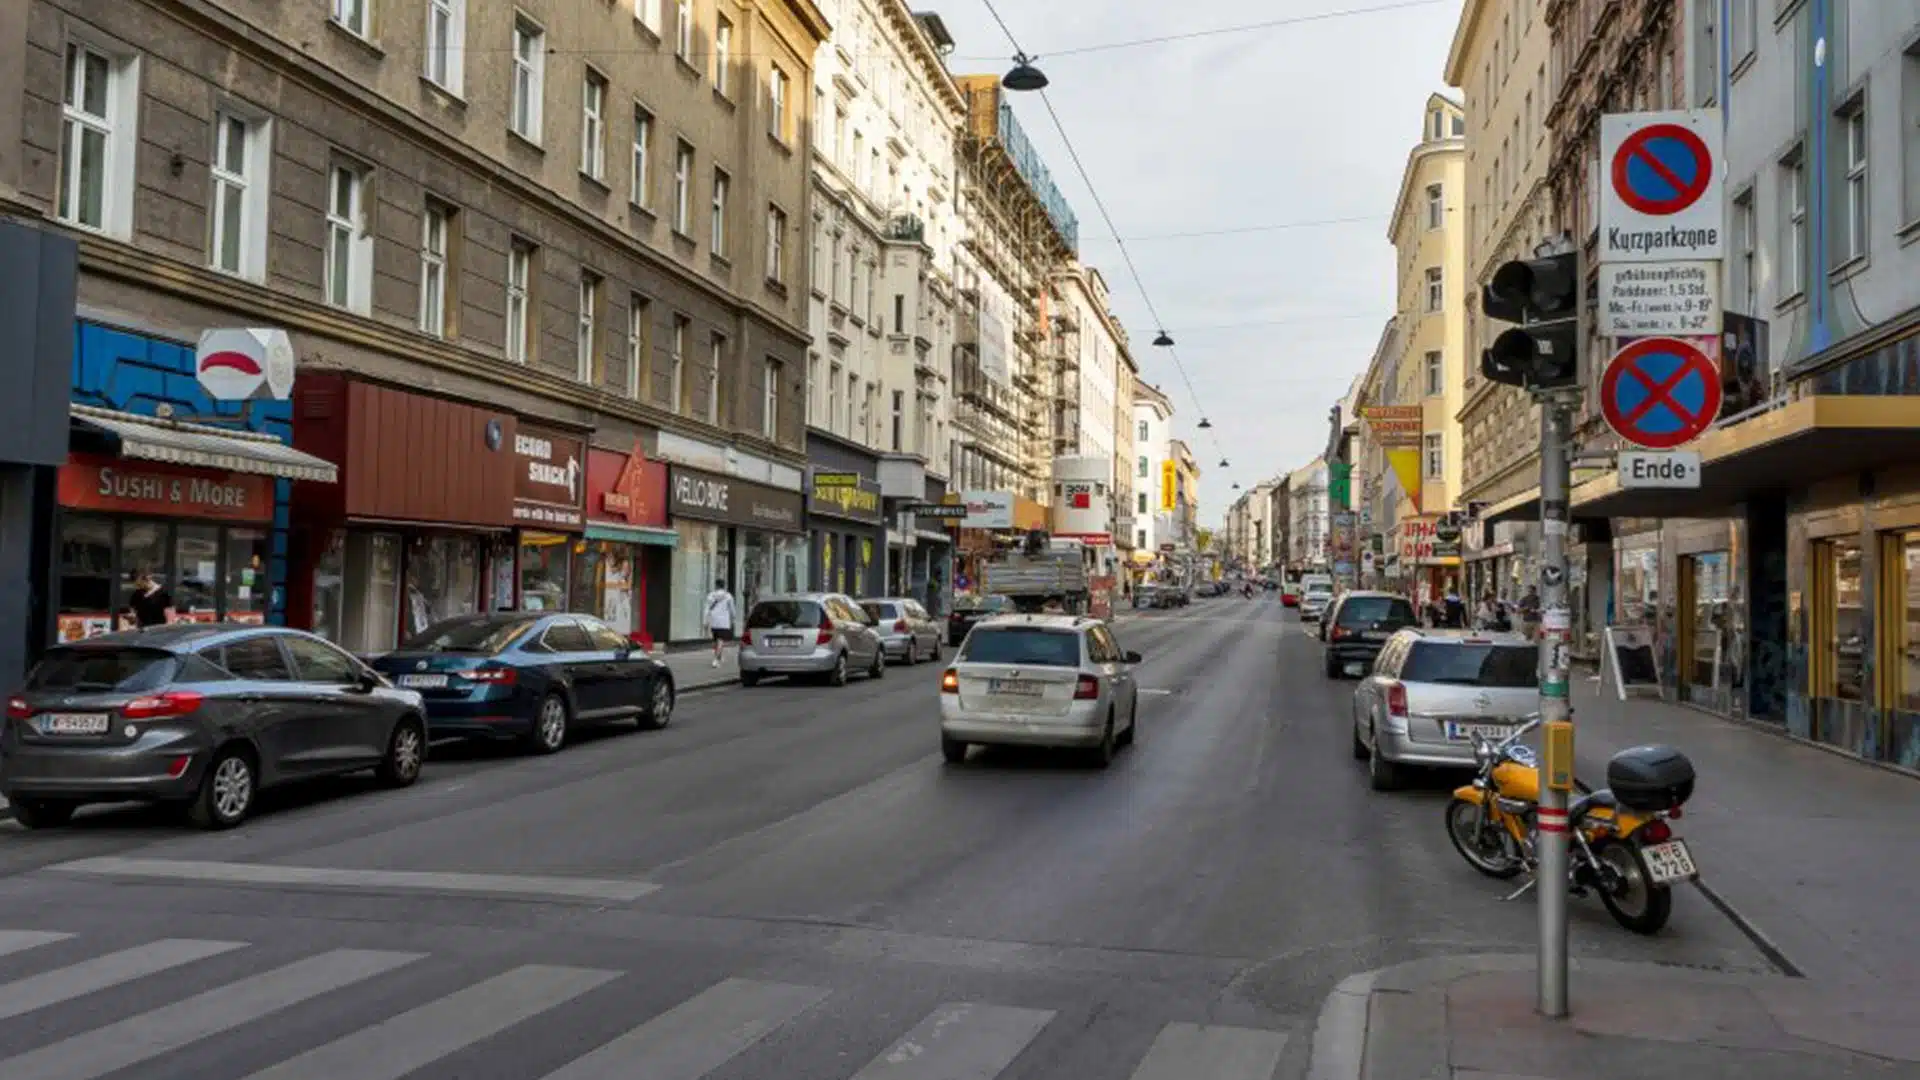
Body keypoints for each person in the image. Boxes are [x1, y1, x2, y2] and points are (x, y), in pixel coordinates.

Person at [702, 578, 736, 667]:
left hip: (714, 621)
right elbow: (732, 610)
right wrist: (733, 619)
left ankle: (719, 657)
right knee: (720, 641)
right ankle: (716, 660)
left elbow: (707, 609)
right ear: (724, 585)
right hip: (724, 622)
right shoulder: (728, 596)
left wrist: (705, 621)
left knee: (715, 640)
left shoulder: (710, 595)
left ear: (716, 585)